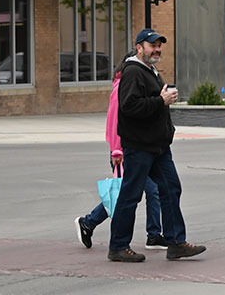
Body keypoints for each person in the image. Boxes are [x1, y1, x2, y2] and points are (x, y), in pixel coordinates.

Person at [106, 29, 205, 263]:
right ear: (139, 47)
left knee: (171, 189)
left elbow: (149, 103)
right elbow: (129, 107)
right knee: (131, 195)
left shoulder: (150, 71)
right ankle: (118, 246)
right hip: (140, 146)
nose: (157, 49)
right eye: (152, 45)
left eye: (159, 45)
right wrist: (161, 100)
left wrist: (163, 104)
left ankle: (176, 243)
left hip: (158, 146)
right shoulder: (132, 72)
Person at [77, 49, 167, 251]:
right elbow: (115, 122)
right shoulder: (121, 89)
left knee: (140, 192)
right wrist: (117, 151)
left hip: (137, 148)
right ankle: (90, 222)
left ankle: (153, 234)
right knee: (130, 194)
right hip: (125, 152)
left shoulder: (131, 85)